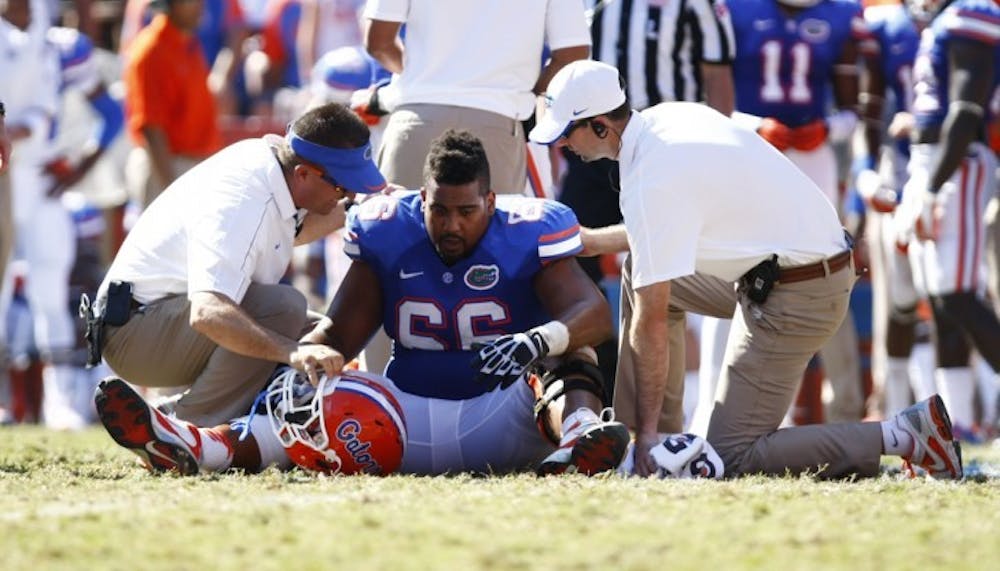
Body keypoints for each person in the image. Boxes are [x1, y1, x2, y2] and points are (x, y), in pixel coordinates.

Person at [94, 129, 637, 477]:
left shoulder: (527, 230)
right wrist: (304, 362)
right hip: (402, 418)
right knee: (308, 390)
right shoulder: (387, 232)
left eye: (466, 212)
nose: (451, 225)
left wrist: (535, 339)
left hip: (506, 415)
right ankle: (199, 443)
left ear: (491, 203)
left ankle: (579, 440)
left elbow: (591, 313)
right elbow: (338, 334)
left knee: (573, 354)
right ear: (419, 200)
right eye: (439, 211)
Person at [530, 59, 963, 479]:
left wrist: (643, 435)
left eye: (567, 134)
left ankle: (903, 434)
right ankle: (656, 440)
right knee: (639, 273)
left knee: (732, 456)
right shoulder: (672, 117)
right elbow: (656, 228)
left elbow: (652, 318)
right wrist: (589, 240)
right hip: (802, 270)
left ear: (602, 125)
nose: (563, 146)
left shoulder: (651, 176)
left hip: (798, 293)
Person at [91, 103, 384, 428]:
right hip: (134, 334)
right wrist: (292, 352)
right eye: (342, 187)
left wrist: (364, 208)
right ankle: (186, 425)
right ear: (303, 174)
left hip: (152, 318)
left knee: (327, 334)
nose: (348, 194)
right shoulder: (244, 201)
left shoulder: (278, 169)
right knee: (283, 310)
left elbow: (293, 231)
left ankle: (232, 416)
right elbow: (208, 310)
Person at [561, 0, 737, 395]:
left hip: (666, 149)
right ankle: (598, 385)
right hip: (594, 149)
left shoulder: (697, 4)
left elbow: (718, 75)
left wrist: (716, 149)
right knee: (571, 256)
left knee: (673, 271)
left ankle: (693, 402)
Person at [896, 0, 1000, 439]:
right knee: (939, 303)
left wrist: (934, 187)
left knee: (957, 294)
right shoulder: (941, 20)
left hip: (957, 163)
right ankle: (957, 423)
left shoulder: (970, 13)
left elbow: (967, 110)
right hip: (930, 162)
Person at [361, 0, 591, 193]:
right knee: (493, 244)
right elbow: (573, 54)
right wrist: (524, 96)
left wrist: (421, 77)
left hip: (415, 119)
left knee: (398, 240)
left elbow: (378, 43)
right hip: (499, 122)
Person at [855, 0, 923, 418]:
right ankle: (896, 407)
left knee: (958, 296)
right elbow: (869, 105)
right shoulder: (885, 22)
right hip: (899, 172)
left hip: (968, 169)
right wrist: (864, 171)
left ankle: (974, 410)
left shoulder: (975, 15)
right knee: (899, 298)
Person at [123, 0, 223, 208]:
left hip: (190, 167)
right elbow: (151, 128)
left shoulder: (188, 42)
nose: (200, 5)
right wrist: (171, 193)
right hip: (166, 168)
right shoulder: (151, 49)